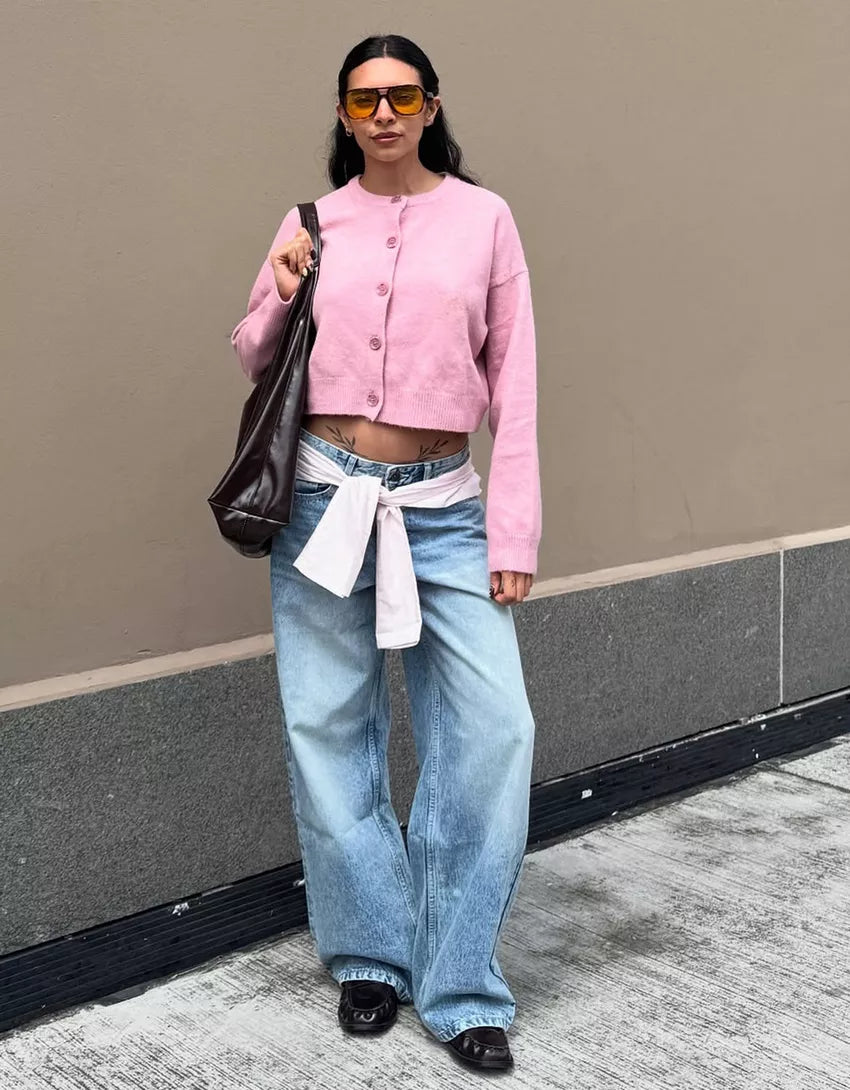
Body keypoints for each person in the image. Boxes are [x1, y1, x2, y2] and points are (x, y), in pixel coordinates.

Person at [230, 33, 541, 1073]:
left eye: (402, 97)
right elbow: (252, 354)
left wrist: (513, 528)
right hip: (323, 503)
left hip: (443, 510)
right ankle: (369, 954)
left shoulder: (485, 219)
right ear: (344, 114)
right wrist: (281, 289)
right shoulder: (312, 222)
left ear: (431, 105)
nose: (384, 115)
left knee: (493, 730)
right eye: (364, 100)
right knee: (328, 728)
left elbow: (516, 381)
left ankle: (460, 981)